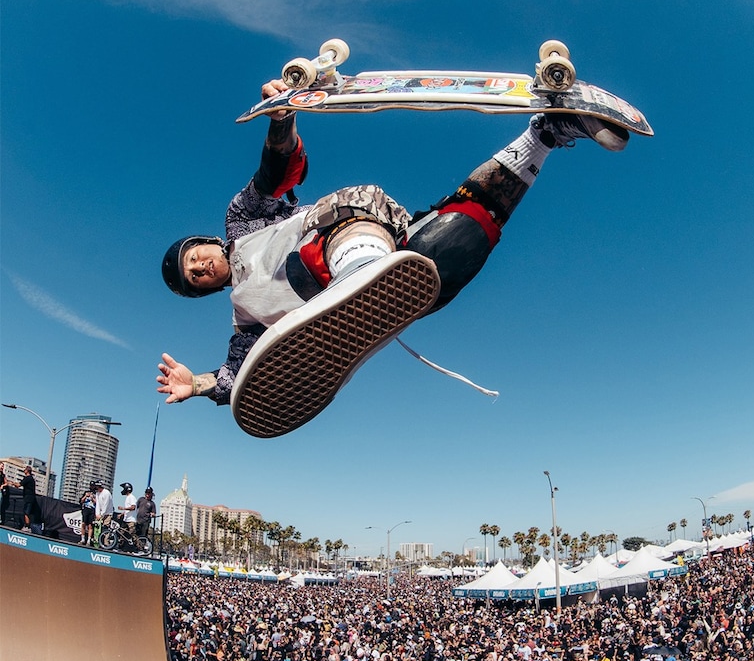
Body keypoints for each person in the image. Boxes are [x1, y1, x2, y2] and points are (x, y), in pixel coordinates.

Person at [157, 80, 631, 422]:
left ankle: (362, 274)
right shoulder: (243, 321)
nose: (200, 266)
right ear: (206, 290)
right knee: (450, 247)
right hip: (394, 260)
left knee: (311, 260)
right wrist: (194, 385)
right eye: (195, 276)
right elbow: (237, 378)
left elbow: (276, 168)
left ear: (206, 242)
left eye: (195, 256)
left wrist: (282, 118)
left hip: (345, 224)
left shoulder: (242, 219)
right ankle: (547, 133)